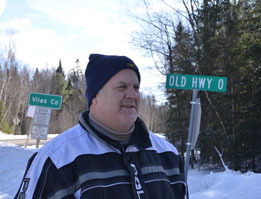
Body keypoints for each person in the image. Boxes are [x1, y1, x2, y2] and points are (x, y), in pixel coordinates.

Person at [15, 54, 188, 199]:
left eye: (136, 87)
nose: (132, 94)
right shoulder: (59, 158)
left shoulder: (167, 154)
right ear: (94, 97)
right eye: (121, 87)